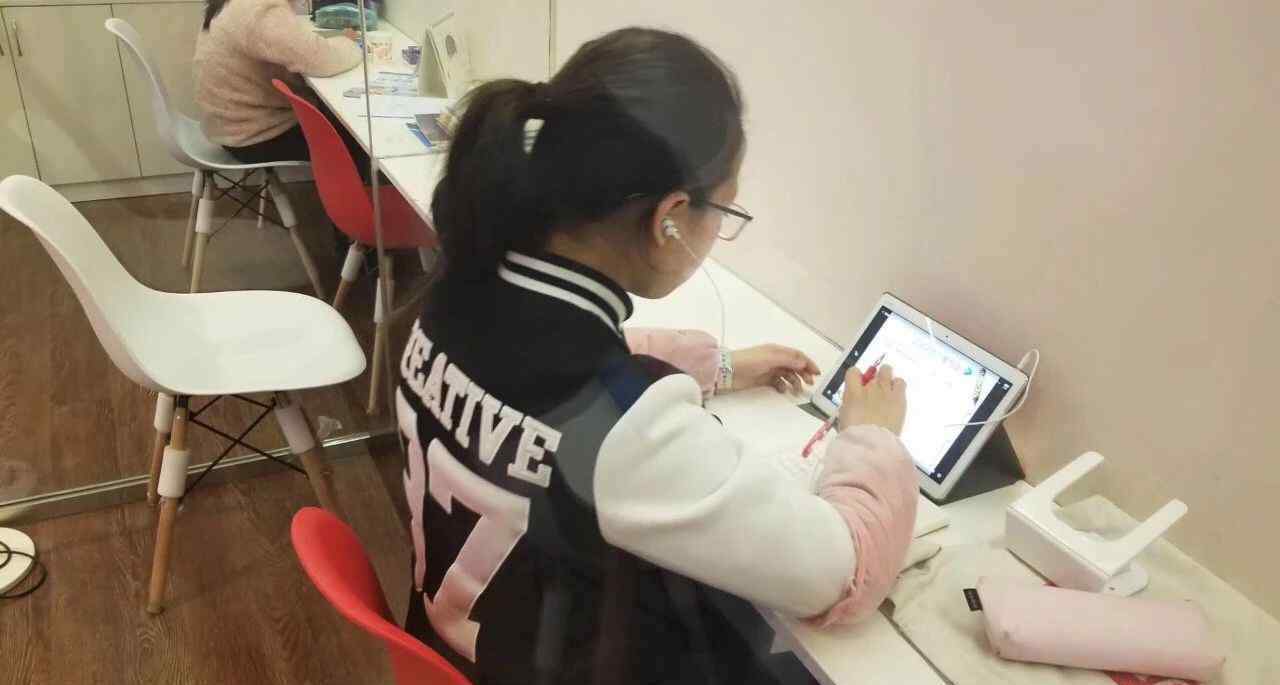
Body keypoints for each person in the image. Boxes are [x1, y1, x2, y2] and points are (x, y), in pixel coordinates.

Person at [395, 27, 919, 685]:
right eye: (724, 211)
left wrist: (720, 366)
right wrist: (872, 436)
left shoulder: (457, 290)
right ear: (670, 217)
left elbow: (564, 379)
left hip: (458, 647)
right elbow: (842, 571)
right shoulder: (624, 426)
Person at [194, 0, 364, 165]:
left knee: (340, 118)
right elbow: (322, 60)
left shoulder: (234, 5)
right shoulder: (261, 9)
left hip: (230, 128)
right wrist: (350, 43)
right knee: (360, 143)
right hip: (255, 137)